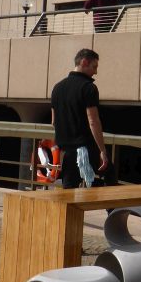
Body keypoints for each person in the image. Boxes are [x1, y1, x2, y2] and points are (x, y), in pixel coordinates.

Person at [50, 48, 108, 189]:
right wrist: (102, 150)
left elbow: (53, 122)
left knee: (69, 189)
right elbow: (93, 121)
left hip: (67, 150)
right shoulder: (89, 88)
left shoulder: (57, 88)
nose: (95, 72)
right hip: (85, 148)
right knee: (109, 178)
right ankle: (114, 211)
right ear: (84, 62)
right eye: (94, 67)